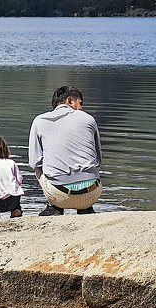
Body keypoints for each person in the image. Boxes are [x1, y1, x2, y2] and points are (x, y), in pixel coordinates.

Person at [28, 86, 102, 216]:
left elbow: (34, 163)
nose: (81, 108)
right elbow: (98, 159)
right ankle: (86, 208)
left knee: (38, 168)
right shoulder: (88, 118)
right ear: (69, 100)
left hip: (59, 195)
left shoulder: (39, 121)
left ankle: (54, 207)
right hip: (91, 193)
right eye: (80, 103)